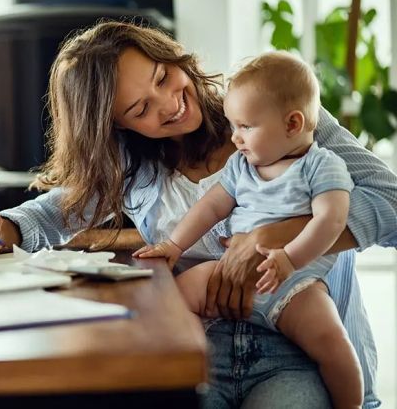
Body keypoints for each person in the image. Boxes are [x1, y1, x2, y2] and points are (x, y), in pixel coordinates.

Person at [0, 21, 397, 408]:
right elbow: (55, 211)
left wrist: (276, 236)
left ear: (172, 57)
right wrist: (0, 228)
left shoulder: (270, 109)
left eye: (163, 77)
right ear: (118, 126)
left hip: (302, 350)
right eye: (141, 108)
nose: (169, 103)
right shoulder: (134, 165)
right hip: (203, 348)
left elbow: (391, 203)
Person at [133, 51, 362, 407]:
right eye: (233, 125)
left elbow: (330, 221)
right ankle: (194, 368)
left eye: (246, 127)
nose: (235, 138)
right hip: (230, 271)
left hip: (294, 283)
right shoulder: (242, 166)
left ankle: (352, 403)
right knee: (174, 296)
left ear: (291, 124)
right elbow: (210, 206)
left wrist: (288, 258)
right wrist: (175, 246)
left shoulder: (322, 166)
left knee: (333, 342)